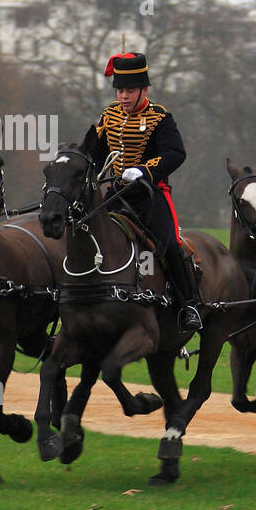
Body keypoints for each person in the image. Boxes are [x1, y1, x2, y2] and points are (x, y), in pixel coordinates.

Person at [81, 51, 203, 331]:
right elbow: (96, 153)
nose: (124, 96)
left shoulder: (160, 117)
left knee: (171, 245)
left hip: (150, 195)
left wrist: (145, 171)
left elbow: (175, 153)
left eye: (130, 90)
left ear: (144, 90)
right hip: (117, 193)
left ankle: (189, 305)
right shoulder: (108, 116)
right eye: (120, 90)